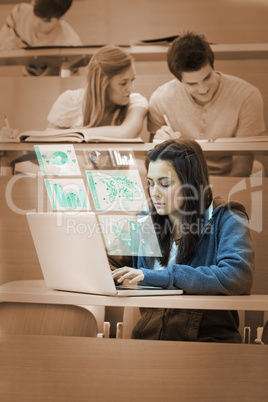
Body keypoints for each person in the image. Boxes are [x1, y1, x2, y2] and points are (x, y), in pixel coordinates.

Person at [112, 139, 255, 343]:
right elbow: (115, 264)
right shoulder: (145, 221)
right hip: (149, 340)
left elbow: (237, 275)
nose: (154, 193)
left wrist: (160, 276)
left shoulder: (228, 217)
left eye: (165, 183)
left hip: (208, 342)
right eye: (151, 183)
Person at [148, 32, 266, 176]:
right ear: (178, 80)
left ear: (212, 65)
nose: (203, 89)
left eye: (207, 77)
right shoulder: (161, 99)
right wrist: (161, 147)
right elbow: (151, 163)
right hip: (183, 177)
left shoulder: (247, 95)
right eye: (192, 84)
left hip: (229, 174)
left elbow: (242, 165)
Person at [47, 45, 148, 140]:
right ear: (102, 85)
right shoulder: (70, 101)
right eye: (123, 83)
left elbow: (126, 133)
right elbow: (46, 141)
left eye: (132, 80)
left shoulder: (137, 102)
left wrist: (67, 135)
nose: (131, 88)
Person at [0, 0, 81, 75]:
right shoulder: (19, 13)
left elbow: (68, 83)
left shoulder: (70, 44)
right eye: (34, 14)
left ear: (59, 18)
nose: (35, 23)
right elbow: (3, 49)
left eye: (45, 20)